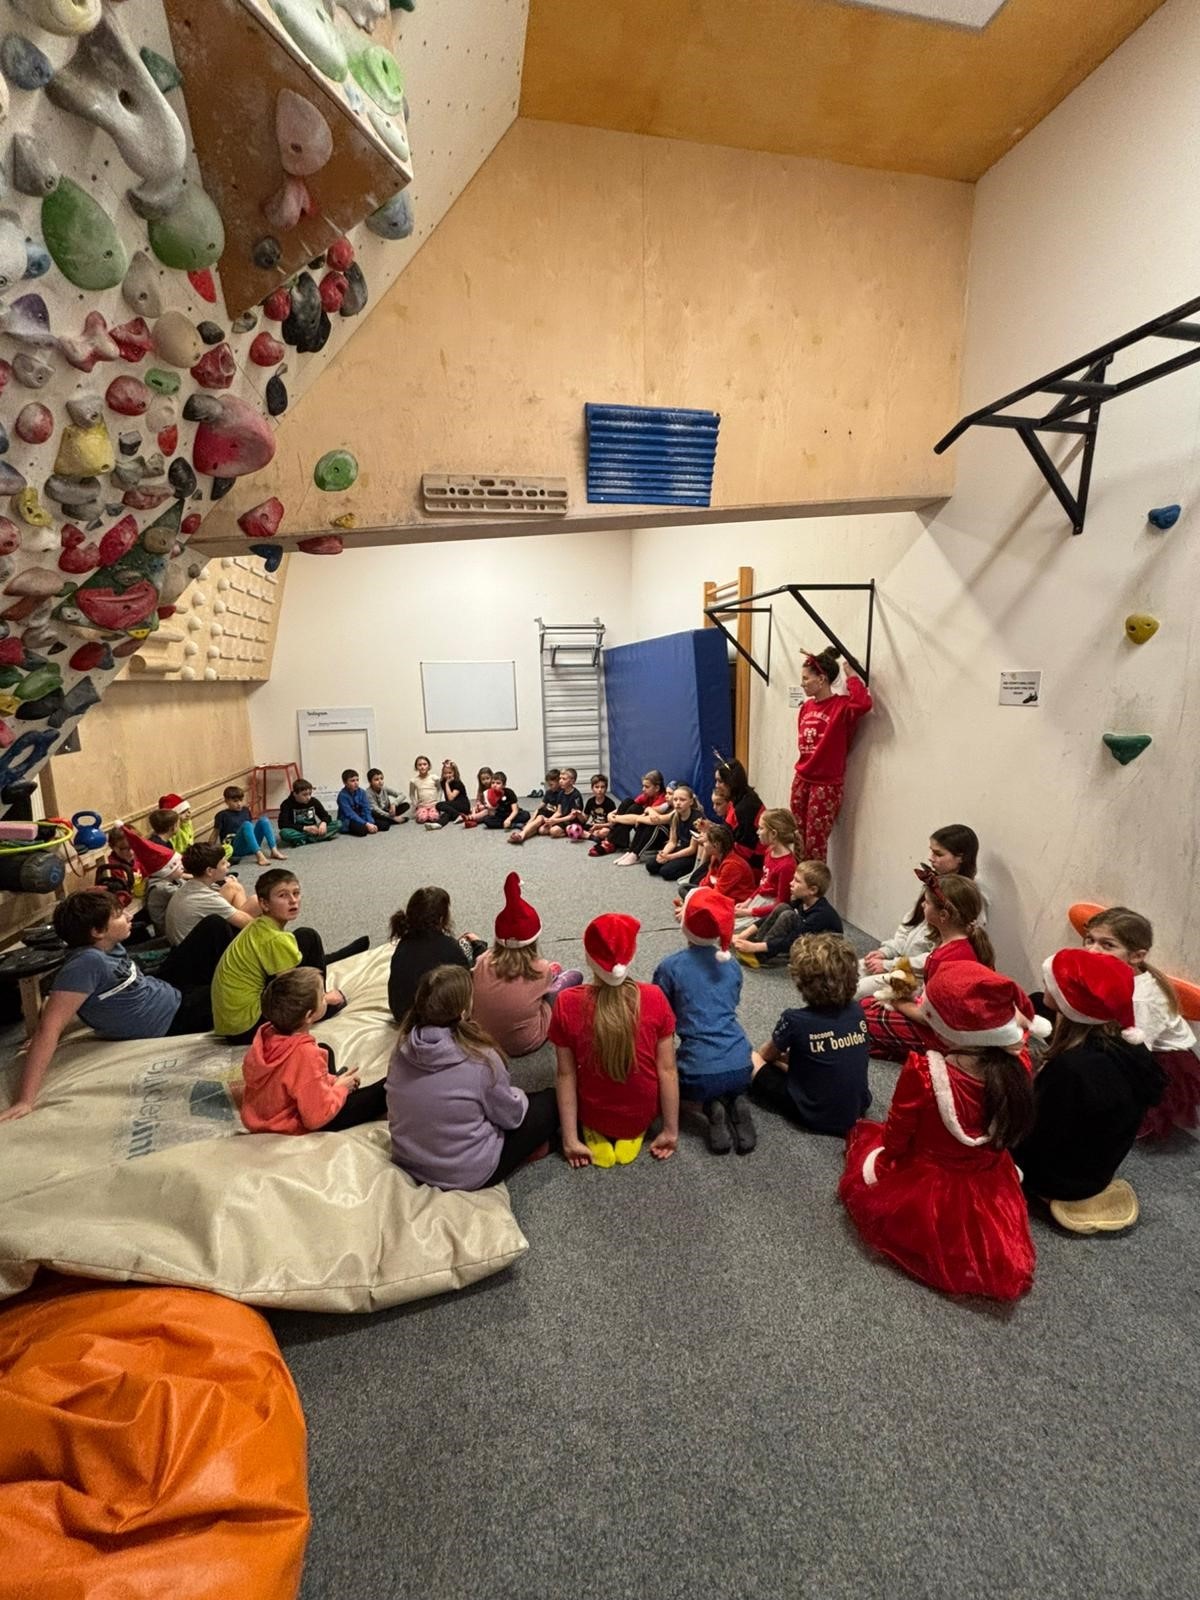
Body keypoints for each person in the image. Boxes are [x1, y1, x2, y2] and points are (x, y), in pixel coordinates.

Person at [839, 961, 1039, 1301]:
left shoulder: (923, 1074)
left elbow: (898, 1132)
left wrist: (888, 1161)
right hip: (987, 1175)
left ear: (949, 1031)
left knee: (872, 1169)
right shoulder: (1019, 1066)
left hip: (929, 1181)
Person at [0, 889, 236, 1121]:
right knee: (243, 994)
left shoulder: (108, 946)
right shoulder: (86, 964)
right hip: (170, 1017)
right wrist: (25, 1101)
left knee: (214, 925)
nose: (130, 916)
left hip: (161, 987)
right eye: (120, 915)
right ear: (97, 931)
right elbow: (49, 1028)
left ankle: (229, 975)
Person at [387, 965, 561, 1190]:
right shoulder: (481, 1060)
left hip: (409, 1160)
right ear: (463, 1012)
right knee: (551, 1101)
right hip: (466, 1174)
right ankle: (547, 1146)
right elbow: (512, 1117)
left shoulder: (401, 1049)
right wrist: (517, 1094)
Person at [1014, 948, 1165, 1207]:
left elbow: (1041, 1133)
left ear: (1071, 1002)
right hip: (1096, 1174)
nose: (1045, 985)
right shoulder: (1128, 1046)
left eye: (1052, 983)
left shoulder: (1072, 1068)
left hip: (1058, 1181)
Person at [549, 913, 679, 1168]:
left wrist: (570, 1139)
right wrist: (670, 1131)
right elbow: (667, 1070)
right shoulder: (655, 997)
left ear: (588, 958)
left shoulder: (566, 1003)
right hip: (643, 1113)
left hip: (592, 1111)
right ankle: (633, 1133)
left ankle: (594, 1130)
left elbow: (565, 1074)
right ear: (631, 957)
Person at [1080, 906, 1199, 1139]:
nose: (1092, 950)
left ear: (1136, 956)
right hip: (1127, 1039)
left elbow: (1137, 1052)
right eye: (1089, 940)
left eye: (1107, 945)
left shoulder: (1141, 999)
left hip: (1159, 1059)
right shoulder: (1113, 974)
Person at [652, 889, 755, 1154]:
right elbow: (732, 1001)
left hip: (697, 1072)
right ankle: (736, 1100)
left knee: (663, 1085)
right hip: (743, 1065)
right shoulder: (732, 965)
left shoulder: (669, 967)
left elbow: (660, 1017)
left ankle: (708, 1107)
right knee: (728, 1073)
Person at [211, 869, 365, 1044]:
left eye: (296, 893)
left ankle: (320, 994)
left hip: (231, 1025)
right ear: (264, 904)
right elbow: (292, 994)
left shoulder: (258, 926)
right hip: (247, 1028)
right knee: (336, 1002)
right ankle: (319, 1003)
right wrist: (324, 1000)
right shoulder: (275, 939)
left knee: (305, 936)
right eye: (283, 895)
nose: (293, 900)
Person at [861, 873, 993, 1061]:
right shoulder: (960, 944)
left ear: (943, 915)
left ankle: (921, 1053)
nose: (923, 905)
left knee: (859, 1021)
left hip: (941, 1035)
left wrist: (896, 1003)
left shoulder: (945, 958)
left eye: (928, 902)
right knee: (866, 1004)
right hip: (942, 1022)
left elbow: (928, 1018)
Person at [240, 966, 388, 1134]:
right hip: (297, 1121)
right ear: (309, 1016)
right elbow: (316, 1118)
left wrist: (332, 1081)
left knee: (324, 1049)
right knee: (385, 1089)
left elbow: (293, 1075)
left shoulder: (266, 1034)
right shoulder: (305, 1055)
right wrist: (341, 1088)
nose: (326, 998)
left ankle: (330, 1085)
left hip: (264, 1116)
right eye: (323, 997)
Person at [749, 932, 870, 1134]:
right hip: (858, 1108)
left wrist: (778, 1059)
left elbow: (765, 1055)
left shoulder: (795, 1019)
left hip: (815, 1114)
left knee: (751, 1058)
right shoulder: (857, 1011)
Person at [856, 825, 984, 999]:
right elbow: (909, 925)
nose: (931, 858)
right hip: (901, 963)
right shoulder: (934, 884)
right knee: (847, 971)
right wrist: (887, 951)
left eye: (938, 854)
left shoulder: (967, 898)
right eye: (931, 851)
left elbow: (936, 959)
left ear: (960, 858)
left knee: (859, 988)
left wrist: (889, 965)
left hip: (921, 978)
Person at [470, 873, 583, 1056]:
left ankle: (553, 975)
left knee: (541, 981)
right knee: (575, 975)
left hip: (483, 1038)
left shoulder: (483, 960)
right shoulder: (539, 968)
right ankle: (555, 974)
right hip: (523, 1043)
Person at [790, 647, 872, 860]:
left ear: (822, 679)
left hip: (825, 784)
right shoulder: (806, 707)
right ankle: (798, 878)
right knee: (797, 838)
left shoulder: (841, 707)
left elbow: (863, 703)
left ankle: (814, 881)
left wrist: (851, 676)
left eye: (806, 678)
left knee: (815, 844)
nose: (802, 683)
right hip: (802, 778)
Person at [388, 885, 484, 1023]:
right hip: (435, 1020)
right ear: (441, 919)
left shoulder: (403, 945)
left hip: (402, 1016)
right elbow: (468, 983)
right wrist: (479, 946)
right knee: (467, 950)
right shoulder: (451, 948)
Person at [732, 858, 843, 968]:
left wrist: (755, 947)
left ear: (812, 890)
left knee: (788, 916)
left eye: (797, 881)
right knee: (783, 907)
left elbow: (793, 939)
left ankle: (760, 955)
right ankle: (756, 941)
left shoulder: (820, 914)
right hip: (805, 937)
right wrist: (744, 934)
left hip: (825, 950)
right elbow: (771, 916)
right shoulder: (802, 900)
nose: (791, 883)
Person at [165, 842, 260, 945]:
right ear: (209, 871)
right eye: (223, 863)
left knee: (233, 887)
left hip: (188, 941)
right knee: (256, 903)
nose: (228, 864)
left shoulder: (191, 885)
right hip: (202, 950)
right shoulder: (206, 898)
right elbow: (248, 923)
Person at [673, 823, 756, 922]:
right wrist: (696, 894)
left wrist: (692, 902)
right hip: (719, 894)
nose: (703, 844)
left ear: (716, 845)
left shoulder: (732, 865)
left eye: (706, 842)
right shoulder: (715, 857)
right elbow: (707, 881)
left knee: (698, 899)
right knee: (684, 888)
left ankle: (690, 908)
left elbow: (718, 893)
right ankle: (691, 906)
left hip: (734, 901)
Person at [734, 808, 799, 920]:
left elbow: (781, 904)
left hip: (768, 911)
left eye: (761, 828)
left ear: (773, 833)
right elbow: (763, 884)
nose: (757, 832)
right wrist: (747, 902)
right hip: (757, 902)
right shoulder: (769, 852)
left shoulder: (787, 866)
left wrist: (749, 912)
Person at [593, 771, 671, 863]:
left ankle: (615, 842)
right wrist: (611, 814)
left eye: (646, 787)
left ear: (657, 788)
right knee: (628, 802)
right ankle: (613, 840)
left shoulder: (663, 800)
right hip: (642, 826)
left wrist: (616, 818)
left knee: (636, 810)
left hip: (654, 836)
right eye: (643, 786)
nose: (643, 789)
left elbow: (640, 819)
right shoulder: (648, 795)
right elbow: (630, 805)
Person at [213, 783, 285, 864]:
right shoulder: (221, 815)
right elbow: (214, 834)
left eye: (241, 800)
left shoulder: (245, 810)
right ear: (226, 801)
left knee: (264, 820)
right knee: (246, 824)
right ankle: (259, 856)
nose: (239, 804)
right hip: (235, 848)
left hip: (251, 846)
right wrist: (209, 852)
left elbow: (250, 830)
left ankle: (274, 850)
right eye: (235, 801)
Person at [645, 783, 704, 880]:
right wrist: (663, 853)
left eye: (682, 800)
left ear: (691, 801)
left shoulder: (697, 819)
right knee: (651, 865)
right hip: (681, 848)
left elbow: (692, 849)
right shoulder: (675, 816)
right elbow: (672, 841)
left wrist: (670, 857)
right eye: (675, 800)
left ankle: (691, 871)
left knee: (666, 872)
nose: (678, 803)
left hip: (692, 855)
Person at [714, 759, 764, 871]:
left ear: (732, 781)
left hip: (750, 864)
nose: (716, 785)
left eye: (720, 781)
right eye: (716, 781)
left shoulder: (746, 807)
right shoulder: (737, 799)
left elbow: (746, 848)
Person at [277, 777, 341, 847]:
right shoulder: (286, 804)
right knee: (284, 833)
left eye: (310, 794)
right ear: (295, 794)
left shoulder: (313, 801)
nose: (308, 797)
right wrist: (305, 828)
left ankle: (302, 840)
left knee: (338, 824)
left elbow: (326, 816)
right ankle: (315, 838)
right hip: (298, 830)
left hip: (314, 829)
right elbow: (282, 824)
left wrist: (324, 823)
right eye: (304, 795)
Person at [509, 768, 563, 845]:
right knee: (538, 819)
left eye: (551, 785)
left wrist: (549, 820)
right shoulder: (549, 792)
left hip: (555, 818)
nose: (549, 787)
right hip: (546, 815)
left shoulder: (562, 794)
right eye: (548, 785)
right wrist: (530, 820)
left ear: (559, 782)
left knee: (541, 830)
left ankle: (522, 834)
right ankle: (521, 835)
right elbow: (539, 808)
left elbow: (560, 812)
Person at [337, 769, 386, 836]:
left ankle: (368, 826)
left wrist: (370, 822)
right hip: (349, 820)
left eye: (357, 780)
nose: (356, 783)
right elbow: (350, 814)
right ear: (345, 783)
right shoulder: (342, 796)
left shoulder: (362, 792)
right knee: (362, 831)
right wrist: (366, 824)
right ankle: (365, 827)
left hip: (361, 817)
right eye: (352, 781)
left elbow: (366, 808)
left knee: (385, 825)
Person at [429, 759, 470, 830]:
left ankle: (457, 815)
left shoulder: (457, 783)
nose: (447, 775)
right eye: (445, 773)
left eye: (450, 773)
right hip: (453, 806)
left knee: (439, 805)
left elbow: (450, 798)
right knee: (447, 813)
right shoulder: (443, 782)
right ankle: (438, 824)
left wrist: (447, 784)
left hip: (463, 805)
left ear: (454, 772)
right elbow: (447, 798)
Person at [583, 773, 616, 845]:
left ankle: (590, 835)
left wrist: (598, 826)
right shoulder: (590, 801)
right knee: (577, 827)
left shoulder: (610, 803)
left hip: (604, 827)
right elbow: (584, 819)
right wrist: (578, 814)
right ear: (592, 788)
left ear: (606, 788)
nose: (600, 790)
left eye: (602, 787)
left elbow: (612, 824)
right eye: (597, 787)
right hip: (593, 826)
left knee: (604, 832)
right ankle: (593, 836)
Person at [409, 755, 440, 824]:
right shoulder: (414, 781)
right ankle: (423, 813)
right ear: (416, 767)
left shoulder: (434, 778)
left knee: (434, 818)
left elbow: (440, 789)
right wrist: (415, 804)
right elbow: (411, 794)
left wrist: (438, 801)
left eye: (425, 764)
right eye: (419, 765)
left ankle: (431, 812)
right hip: (422, 805)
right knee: (421, 819)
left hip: (433, 805)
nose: (422, 767)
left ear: (429, 766)